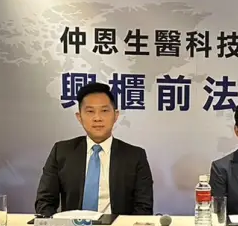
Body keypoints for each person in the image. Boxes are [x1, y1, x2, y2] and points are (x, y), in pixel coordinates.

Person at [34, 82, 154, 216]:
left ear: (116, 115)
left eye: (104, 111)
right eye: (90, 111)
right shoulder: (61, 152)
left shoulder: (135, 156)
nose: (97, 118)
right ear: (79, 117)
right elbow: (44, 202)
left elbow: (143, 207)